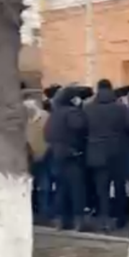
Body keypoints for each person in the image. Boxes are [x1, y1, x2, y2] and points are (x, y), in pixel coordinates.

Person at [84, 79, 129, 232]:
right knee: (119, 186)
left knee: (101, 187)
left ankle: (104, 219)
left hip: (97, 151)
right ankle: (120, 218)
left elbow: (83, 128)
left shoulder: (88, 108)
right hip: (118, 150)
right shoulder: (121, 107)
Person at [45, 85, 89, 230]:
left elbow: (47, 134)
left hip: (56, 155)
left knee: (61, 189)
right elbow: (80, 126)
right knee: (77, 189)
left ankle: (60, 220)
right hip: (72, 154)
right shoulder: (72, 112)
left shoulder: (54, 114)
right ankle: (78, 221)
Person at [26, 95, 53, 225]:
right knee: (31, 187)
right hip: (28, 157)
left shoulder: (45, 118)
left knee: (44, 185)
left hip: (44, 155)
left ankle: (44, 213)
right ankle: (34, 212)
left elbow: (50, 135)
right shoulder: (24, 119)